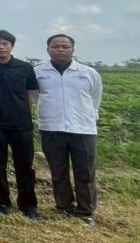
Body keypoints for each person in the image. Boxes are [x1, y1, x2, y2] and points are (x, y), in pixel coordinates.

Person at [36, 34, 103, 225]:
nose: (60, 50)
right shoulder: (38, 72)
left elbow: (95, 98)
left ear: (73, 49)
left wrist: (87, 117)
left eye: (65, 47)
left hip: (83, 129)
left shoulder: (88, 73)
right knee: (58, 172)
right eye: (55, 46)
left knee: (85, 172)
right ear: (48, 49)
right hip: (51, 128)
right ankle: (64, 207)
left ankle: (85, 211)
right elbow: (35, 97)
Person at [0, 29, 40, 218]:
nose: (1, 47)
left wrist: (26, 113)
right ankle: (2, 203)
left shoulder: (25, 68)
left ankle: (28, 205)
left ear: (12, 46)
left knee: (25, 165)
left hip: (21, 125)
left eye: (5, 43)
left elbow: (31, 95)